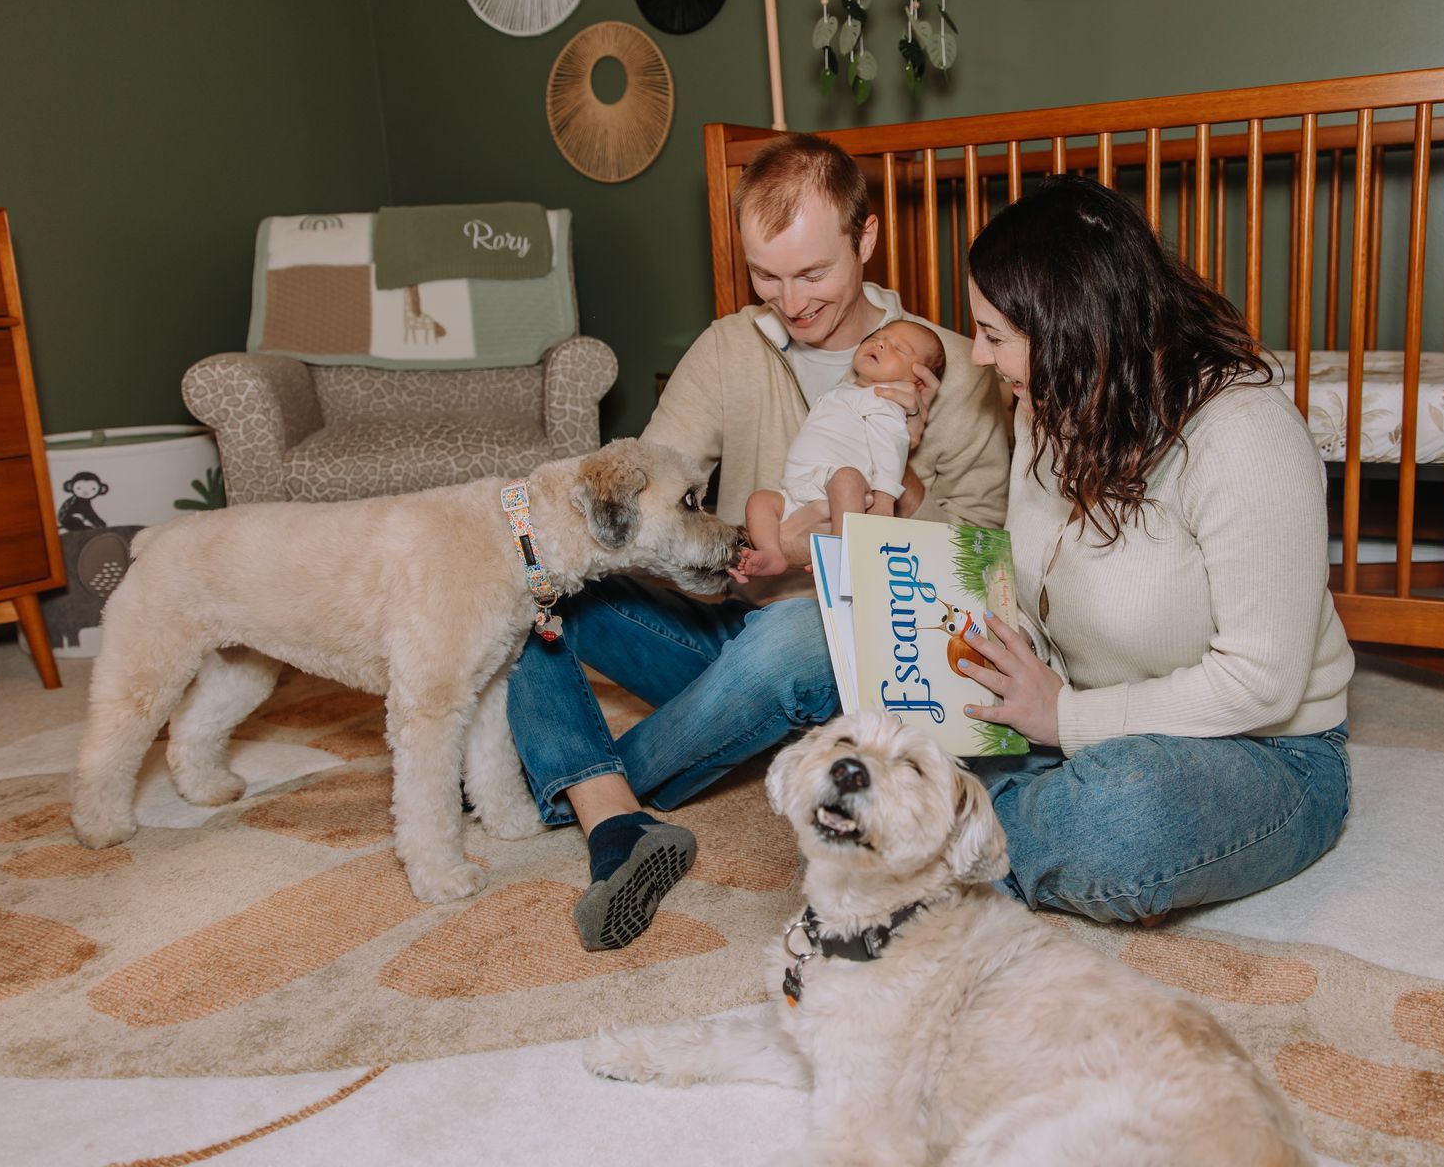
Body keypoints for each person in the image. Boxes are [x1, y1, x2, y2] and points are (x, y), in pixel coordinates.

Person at [505, 133, 1012, 950]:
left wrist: (905, 469)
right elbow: (651, 493)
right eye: (767, 276)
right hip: (717, 628)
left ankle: (578, 784)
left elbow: (984, 565)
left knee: (798, 633)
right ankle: (615, 818)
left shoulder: (954, 366)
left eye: (812, 273)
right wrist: (728, 551)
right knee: (526, 566)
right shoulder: (728, 348)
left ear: (867, 238)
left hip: (841, 652)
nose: (791, 300)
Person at [951, 174, 1354, 924]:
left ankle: (932, 846)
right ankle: (986, 823)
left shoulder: (1246, 435)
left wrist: (1065, 721)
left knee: (1127, 814)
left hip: (1261, 751)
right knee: (866, 680)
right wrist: (1000, 648)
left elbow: (1262, 685)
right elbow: (1035, 569)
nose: (976, 355)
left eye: (994, 336)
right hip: (1072, 712)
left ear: (1070, 330)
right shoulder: (1050, 395)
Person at [740, 319, 947, 577]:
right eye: (878, 336)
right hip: (798, 489)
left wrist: (884, 500)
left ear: (918, 382)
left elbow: (890, 448)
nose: (881, 344)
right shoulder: (847, 390)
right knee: (760, 500)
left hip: (841, 488)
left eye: (899, 348)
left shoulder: (884, 401)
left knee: (847, 478)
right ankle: (772, 553)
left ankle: (839, 555)